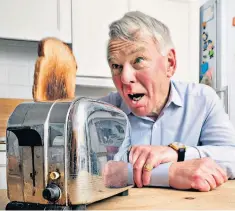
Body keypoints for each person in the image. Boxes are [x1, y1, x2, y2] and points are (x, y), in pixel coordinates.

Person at [100, 11, 235, 192]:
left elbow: (232, 155)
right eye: (116, 66)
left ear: (170, 63)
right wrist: (171, 172)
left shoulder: (203, 100)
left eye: (138, 60)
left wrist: (177, 152)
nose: (124, 78)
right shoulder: (101, 111)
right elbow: (90, 172)